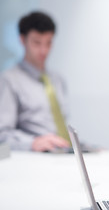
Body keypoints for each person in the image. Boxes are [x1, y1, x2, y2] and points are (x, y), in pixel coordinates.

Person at [0, 11, 70, 152]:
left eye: (48, 43)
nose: (44, 50)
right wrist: (32, 143)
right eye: (37, 42)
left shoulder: (58, 80)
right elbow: (2, 134)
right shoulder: (9, 80)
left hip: (63, 154)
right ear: (22, 40)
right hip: (34, 158)